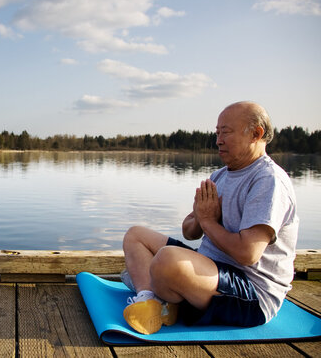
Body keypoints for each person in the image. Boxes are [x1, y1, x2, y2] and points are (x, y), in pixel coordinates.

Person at [121, 101, 298, 335]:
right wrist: (200, 219)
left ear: (256, 134)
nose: (218, 141)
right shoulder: (219, 175)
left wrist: (208, 223)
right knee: (136, 236)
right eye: (217, 133)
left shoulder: (268, 180)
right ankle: (149, 299)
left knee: (165, 261)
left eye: (226, 132)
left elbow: (248, 254)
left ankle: (161, 289)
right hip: (211, 268)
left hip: (252, 293)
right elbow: (189, 230)